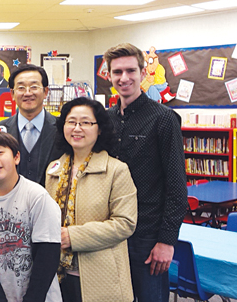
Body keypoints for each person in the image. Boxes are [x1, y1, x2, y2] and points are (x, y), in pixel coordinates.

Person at [104, 43, 187, 302]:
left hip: (148, 237)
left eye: (131, 70)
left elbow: (176, 186)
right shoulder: (105, 120)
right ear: (109, 75)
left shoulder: (163, 119)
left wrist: (167, 241)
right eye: (117, 72)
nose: (124, 78)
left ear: (143, 73)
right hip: (110, 233)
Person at [44, 97, 137, 302]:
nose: (77, 128)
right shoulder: (54, 170)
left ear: (100, 128)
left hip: (101, 277)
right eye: (71, 122)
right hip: (57, 276)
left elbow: (125, 224)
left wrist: (72, 236)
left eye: (85, 122)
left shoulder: (116, 170)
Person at [0, 131, 62, 302]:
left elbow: (48, 255)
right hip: (0, 295)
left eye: (0, 152)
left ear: (16, 157)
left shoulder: (36, 196)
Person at [0, 64, 62, 186]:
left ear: (45, 92)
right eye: (21, 88)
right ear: (12, 93)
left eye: (34, 87)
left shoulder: (62, 128)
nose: (28, 93)